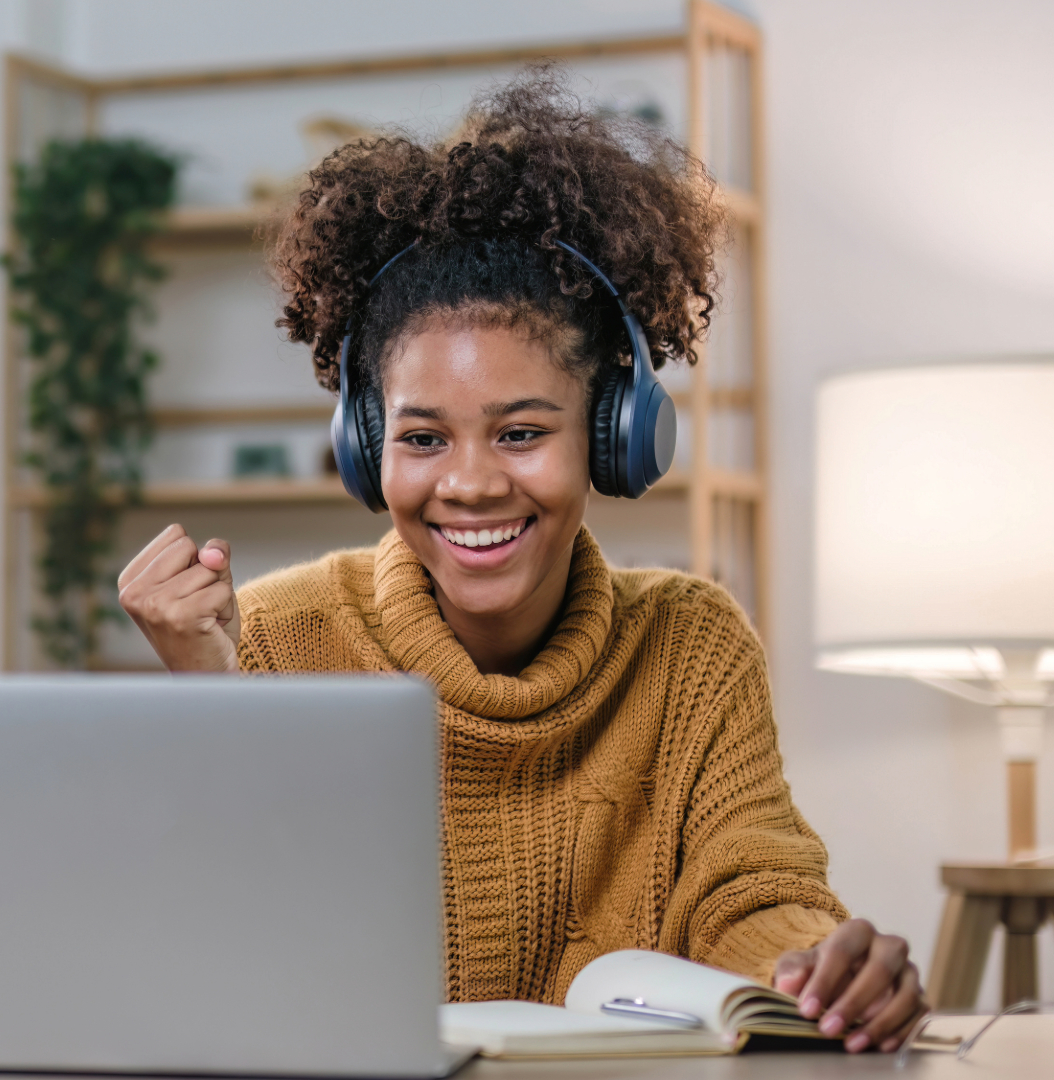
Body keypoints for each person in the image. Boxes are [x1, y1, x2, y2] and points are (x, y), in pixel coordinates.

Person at [116, 71, 926, 1054]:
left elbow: (751, 890)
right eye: (421, 439)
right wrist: (209, 694)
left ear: (614, 433)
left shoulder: (693, 645)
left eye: (521, 432)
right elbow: (222, 965)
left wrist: (818, 967)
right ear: (366, 448)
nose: (470, 485)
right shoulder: (273, 641)